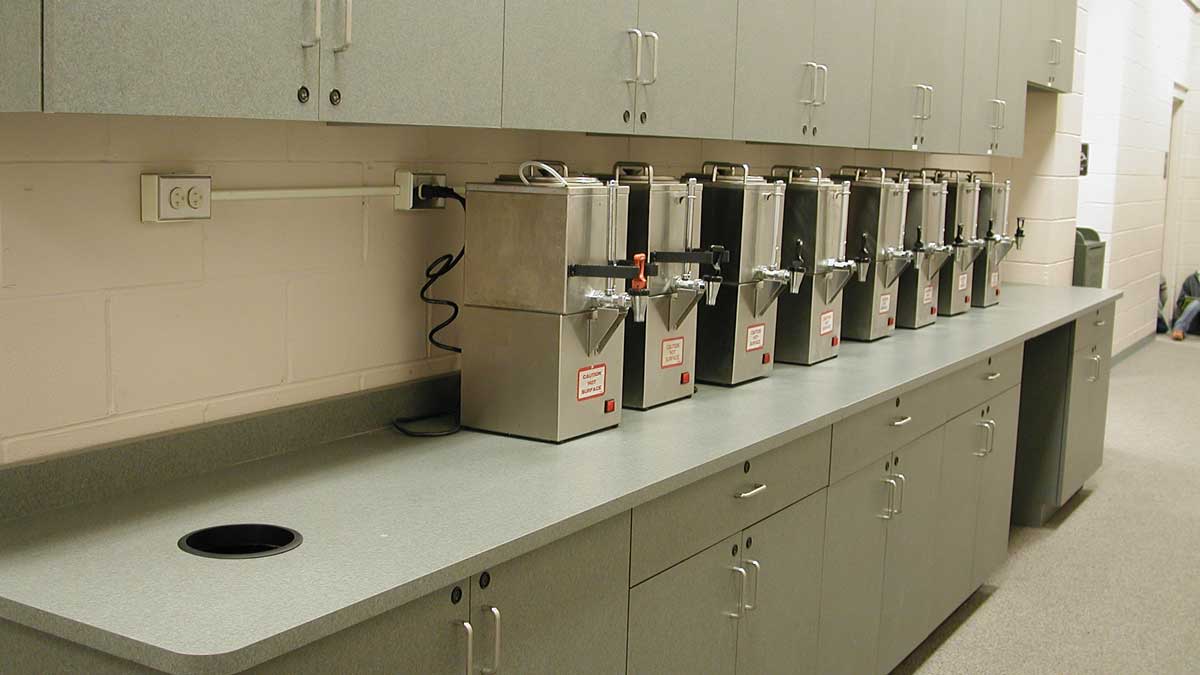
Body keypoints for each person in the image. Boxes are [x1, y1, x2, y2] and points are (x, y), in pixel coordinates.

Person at [1172, 271, 1200, 340]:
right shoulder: (1191, 279)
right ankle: (1179, 329)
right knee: (1197, 302)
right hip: (1192, 322)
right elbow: (1180, 301)